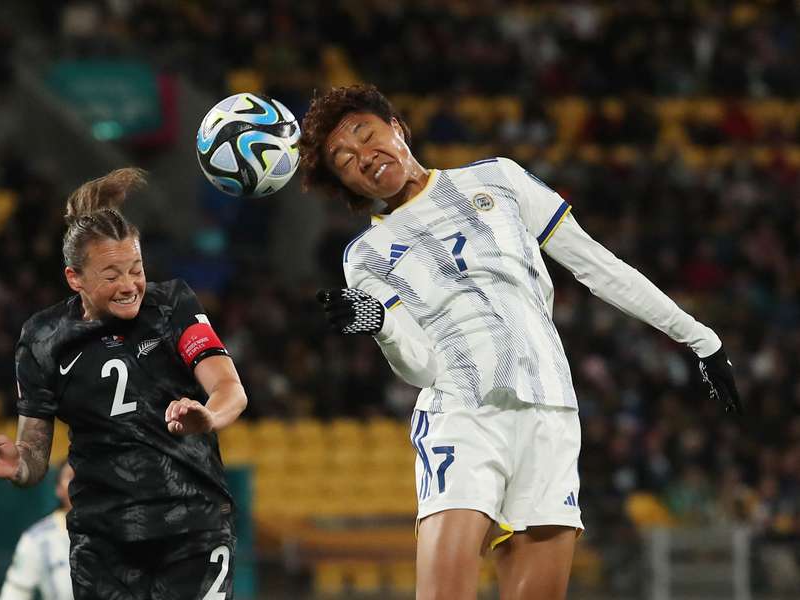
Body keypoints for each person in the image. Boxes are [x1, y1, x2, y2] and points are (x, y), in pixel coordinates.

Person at [300, 84, 741, 600]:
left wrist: (700, 338)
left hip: (552, 411)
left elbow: (598, 267)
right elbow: (420, 367)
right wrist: (382, 322)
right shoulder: (366, 255)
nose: (362, 156)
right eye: (343, 160)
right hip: (463, 414)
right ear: (347, 185)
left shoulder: (499, 179)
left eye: (363, 133)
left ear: (396, 127)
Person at [0, 168, 248, 600]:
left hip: (192, 526)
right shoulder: (43, 338)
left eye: (135, 269)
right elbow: (34, 455)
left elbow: (230, 388)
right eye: (112, 274)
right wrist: (17, 465)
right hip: (104, 541)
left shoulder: (172, 305)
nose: (129, 286)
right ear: (74, 278)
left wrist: (207, 416)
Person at [0, 462, 76, 600]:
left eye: (84, 479)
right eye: (71, 477)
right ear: (58, 489)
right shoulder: (37, 539)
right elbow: (14, 593)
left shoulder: (120, 529)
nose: (79, 485)